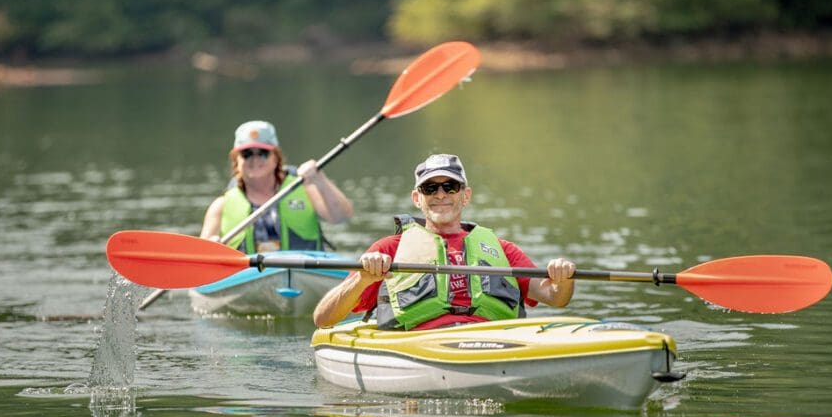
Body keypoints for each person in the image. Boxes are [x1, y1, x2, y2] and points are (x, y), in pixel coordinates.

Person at [313, 154, 576, 329]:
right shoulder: (389, 249)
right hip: (421, 345)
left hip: (493, 342)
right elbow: (323, 319)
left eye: (450, 186)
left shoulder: (503, 249)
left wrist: (564, 278)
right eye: (430, 188)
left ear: (466, 195)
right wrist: (364, 278)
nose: (441, 194)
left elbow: (555, 298)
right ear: (417, 198)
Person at [201, 120, 353, 252]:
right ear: (236, 161)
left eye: (263, 152)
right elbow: (201, 261)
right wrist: (211, 247)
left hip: (303, 276)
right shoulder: (220, 206)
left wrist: (321, 180)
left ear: (276, 158)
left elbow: (341, 217)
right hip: (245, 280)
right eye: (247, 153)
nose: (255, 159)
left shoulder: (307, 190)